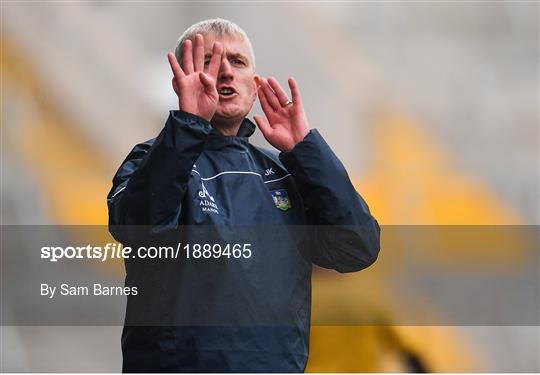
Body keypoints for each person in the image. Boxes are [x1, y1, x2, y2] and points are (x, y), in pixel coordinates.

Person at [107, 18, 380, 372]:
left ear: (255, 86)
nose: (224, 72)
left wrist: (306, 150)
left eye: (237, 62)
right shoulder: (150, 161)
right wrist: (189, 124)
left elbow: (357, 247)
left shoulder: (287, 173)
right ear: (180, 82)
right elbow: (139, 228)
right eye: (208, 61)